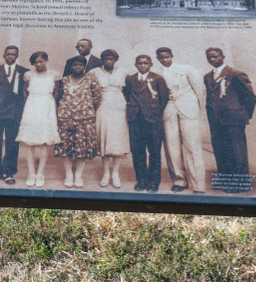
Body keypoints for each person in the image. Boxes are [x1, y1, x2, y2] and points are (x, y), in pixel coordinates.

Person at [203, 47, 256, 193]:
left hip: (233, 119)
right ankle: (226, 181)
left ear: (223, 56)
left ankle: (240, 184)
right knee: (220, 150)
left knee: (236, 151)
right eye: (209, 57)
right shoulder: (208, 77)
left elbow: (250, 97)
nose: (212, 59)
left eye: (215, 56)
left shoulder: (235, 74)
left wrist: (242, 114)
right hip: (216, 120)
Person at [155, 47, 208, 193]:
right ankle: (179, 180)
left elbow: (200, 90)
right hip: (168, 110)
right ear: (157, 59)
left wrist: (200, 110)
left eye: (167, 57)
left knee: (193, 146)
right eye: (161, 58)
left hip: (188, 109)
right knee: (172, 147)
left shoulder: (187, 69)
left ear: (172, 56)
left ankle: (198, 184)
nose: (164, 60)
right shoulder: (156, 74)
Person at [122, 54, 169, 192]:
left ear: (151, 65)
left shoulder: (158, 78)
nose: (143, 65)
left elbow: (164, 98)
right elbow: (127, 94)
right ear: (136, 65)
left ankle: (154, 182)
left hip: (153, 120)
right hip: (135, 119)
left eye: (146, 63)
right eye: (140, 63)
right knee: (137, 152)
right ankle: (141, 180)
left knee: (154, 152)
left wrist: (154, 110)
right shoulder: (130, 79)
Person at [54, 56, 102, 187]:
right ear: (70, 67)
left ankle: (79, 175)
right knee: (66, 148)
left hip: (85, 119)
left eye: (80, 65)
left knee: (82, 148)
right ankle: (69, 174)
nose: (77, 67)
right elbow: (58, 97)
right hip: (65, 118)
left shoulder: (91, 79)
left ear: (84, 67)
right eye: (75, 65)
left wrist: (86, 110)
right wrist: (64, 113)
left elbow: (97, 97)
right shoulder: (63, 80)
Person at [16, 51, 61, 187]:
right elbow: (24, 92)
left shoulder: (54, 74)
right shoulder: (29, 75)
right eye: (35, 62)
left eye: (41, 61)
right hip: (32, 106)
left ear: (46, 60)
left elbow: (57, 93)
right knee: (30, 141)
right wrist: (30, 105)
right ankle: (31, 173)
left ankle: (40, 173)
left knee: (44, 140)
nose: (38, 64)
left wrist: (52, 107)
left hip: (47, 106)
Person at [0, 45, 28, 184]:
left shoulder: (24, 72)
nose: (11, 56)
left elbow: (25, 94)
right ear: (4, 55)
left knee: (12, 143)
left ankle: (8, 172)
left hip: (14, 112)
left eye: (13, 54)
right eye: (8, 54)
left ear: (17, 56)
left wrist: (21, 111)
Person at [90, 49, 130, 188]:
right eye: (106, 59)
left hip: (119, 107)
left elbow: (129, 91)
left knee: (116, 140)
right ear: (102, 60)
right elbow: (90, 91)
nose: (108, 61)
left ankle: (115, 174)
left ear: (116, 60)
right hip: (103, 106)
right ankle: (106, 173)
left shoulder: (123, 72)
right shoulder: (94, 72)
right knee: (105, 139)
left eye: (111, 59)